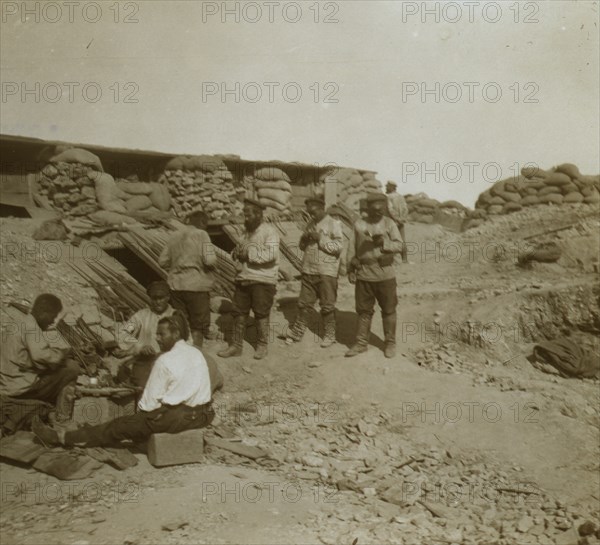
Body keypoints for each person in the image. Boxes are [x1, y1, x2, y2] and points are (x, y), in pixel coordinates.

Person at [33, 316, 214, 447]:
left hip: (179, 418)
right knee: (139, 422)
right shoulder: (196, 353)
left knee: (118, 426)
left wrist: (137, 422)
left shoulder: (165, 360)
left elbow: (147, 406)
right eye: (157, 334)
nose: (157, 338)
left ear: (175, 334)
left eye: (162, 334)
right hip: (204, 416)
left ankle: (63, 438)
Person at [0, 294, 79, 422]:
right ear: (44, 313)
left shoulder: (17, 324)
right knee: (71, 368)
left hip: (6, 383)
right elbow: (41, 355)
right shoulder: (32, 328)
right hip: (20, 389)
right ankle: (62, 419)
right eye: (52, 317)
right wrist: (62, 355)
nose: (52, 322)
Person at [218, 198, 280, 360]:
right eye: (244, 215)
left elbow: (271, 254)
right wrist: (235, 252)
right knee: (238, 313)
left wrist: (249, 255)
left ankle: (262, 345)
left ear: (258, 215)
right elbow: (240, 248)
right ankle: (236, 346)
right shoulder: (246, 233)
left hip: (262, 280)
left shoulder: (269, 232)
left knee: (261, 313)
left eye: (248, 215)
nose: (245, 219)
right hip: (243, 278)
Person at [346, 192, 403, 359]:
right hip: (364, 275)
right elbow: (351, 248)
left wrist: (384, 243)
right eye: (375, 209)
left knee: (389, 309)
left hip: (385, 275)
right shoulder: (359, 225)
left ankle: (390, 342)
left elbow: (400, 245)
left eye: (381, 210)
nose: (378, 212)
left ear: (384, 208)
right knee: (363, 310)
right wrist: (350, 268)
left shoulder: (389, 224)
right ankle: (361, 343)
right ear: (368, 208)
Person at [284, 196, 343, 348]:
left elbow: (338, 247)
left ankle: (330, 335)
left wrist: (320, 239)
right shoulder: (310, 223)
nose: (312, 215)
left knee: (327, 305)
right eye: (310, 212)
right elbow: (303, 247)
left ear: (321, 208)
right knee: (304, 303)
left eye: (314, 211)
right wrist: (304, 239)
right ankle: (297, 332)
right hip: (309, 269)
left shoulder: (333, 223)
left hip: (326, 271)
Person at [159, 210, 217, 348]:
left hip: (176, 285)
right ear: (202, 222)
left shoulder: (175, 235)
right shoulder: (202, 234)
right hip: (196, 286)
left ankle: (181, 352)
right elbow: (210, 260)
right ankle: (196, 354)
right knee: (198, 325)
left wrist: (176, 267)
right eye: (206, 224)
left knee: (181, 323)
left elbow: (162, 261)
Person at [114, 281, 188, 388]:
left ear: (168, 297)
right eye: (154, 298)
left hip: (169, 361)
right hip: (144, 360)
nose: (157, 302)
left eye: (161, 298)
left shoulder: (176, 316)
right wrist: (139, 347)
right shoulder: (142, 315)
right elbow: (122, 333)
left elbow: (187, 341)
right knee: (124, 374)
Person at [385, 180, 410, 264]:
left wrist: (396, 219)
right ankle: (404, 259)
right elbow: (405, 209)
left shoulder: (388, 197)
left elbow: (390, 209)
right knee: (402, 240)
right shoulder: (400, 196)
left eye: (387, 186)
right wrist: (402, 219)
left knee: (391, 239)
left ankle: (391, 260)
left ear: (391, 187)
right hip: (401, 222)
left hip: (393, 221)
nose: (386, 187)